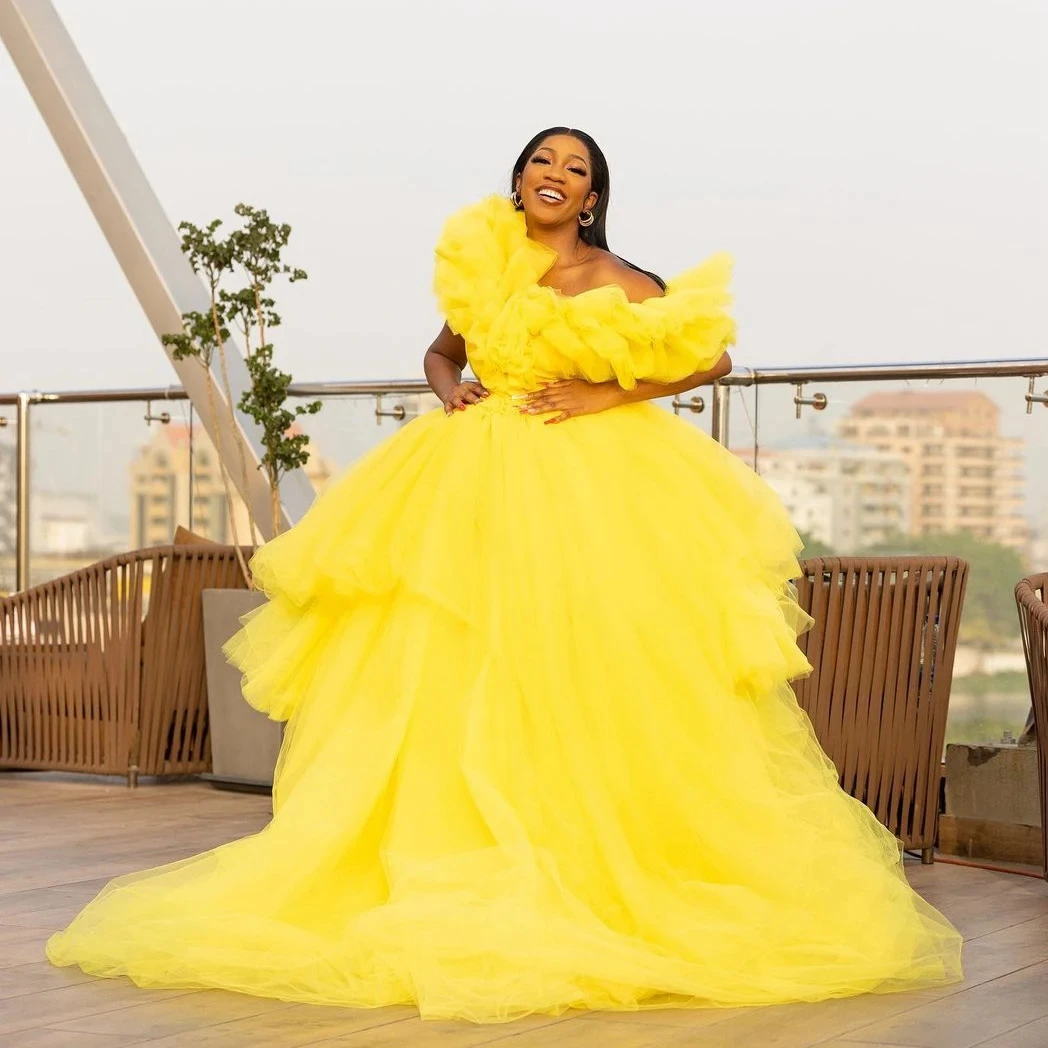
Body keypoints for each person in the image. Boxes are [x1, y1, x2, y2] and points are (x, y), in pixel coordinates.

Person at [47, 126, 963, 1023]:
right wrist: (453, 391)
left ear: (592, 197)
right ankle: (451, 848)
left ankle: (589, 859)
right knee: (445, 661)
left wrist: (603, 394)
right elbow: (442, 352)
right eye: (542, 161)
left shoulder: (618, 278)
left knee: (581, 664)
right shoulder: (488, 264)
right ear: (520, 179)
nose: (555, 174)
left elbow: (713, 359)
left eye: (575, 167)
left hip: (589, 487)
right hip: (467, 482)